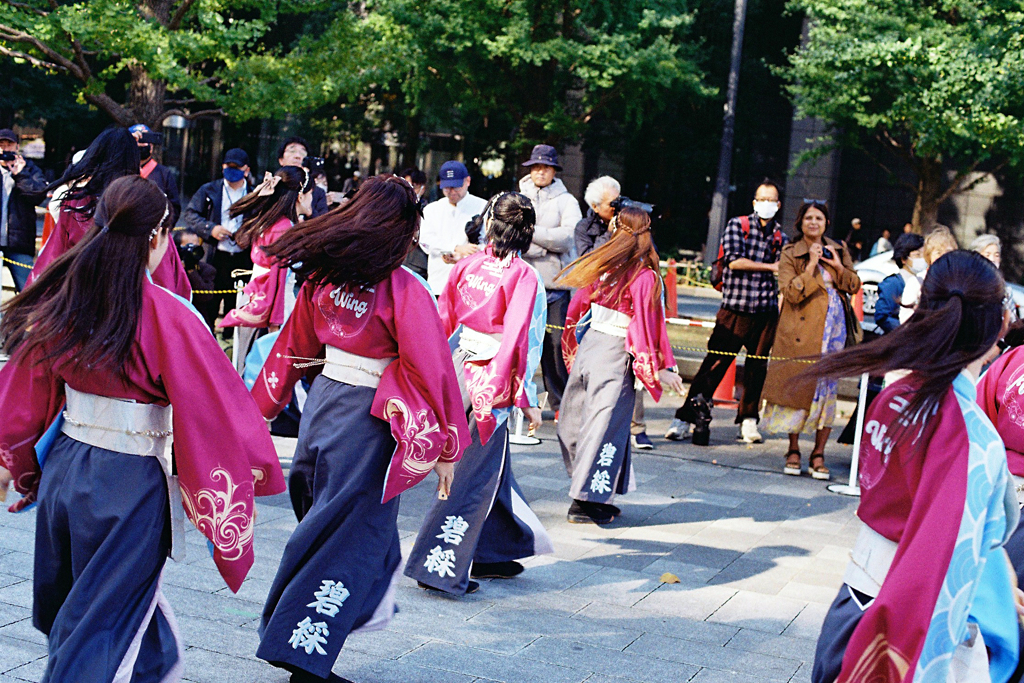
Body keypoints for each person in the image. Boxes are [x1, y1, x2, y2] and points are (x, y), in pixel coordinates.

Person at [0, 175, 285, 681]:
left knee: (88, 604)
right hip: (129, 480)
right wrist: (246, 480)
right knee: (99, 619)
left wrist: (14, 463)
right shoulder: (170, 315)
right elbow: (217, 412)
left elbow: (24, 390)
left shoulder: (60, 298)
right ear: (157, 237)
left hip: (67, 463)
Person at [247, 176, 470, 683]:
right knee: (348, 535)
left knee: (335, 525)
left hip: (324, 403)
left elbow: (291, 349)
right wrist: (450, 444)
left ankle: (312, 641)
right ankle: (301, 652)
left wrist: (259, 409)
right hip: (371, 422)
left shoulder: (324, 279)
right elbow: (433, 369)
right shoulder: (404, 288)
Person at [810, 250, 1019, 683]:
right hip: (905, 630)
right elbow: (954, 557)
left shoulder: (898, 395)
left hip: (853, 604)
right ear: (1000, 323)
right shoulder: (971, 435)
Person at [405, 192, 553, 595]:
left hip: (459, 365)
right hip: (492, 376)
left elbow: (442, 320)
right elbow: (522, 339)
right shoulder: (523, 276)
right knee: (472, 474)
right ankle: (437, 565)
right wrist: (527, 395)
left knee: (488, 466)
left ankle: (493, 550)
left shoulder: (468, 264)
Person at [556, 207, 684, 524]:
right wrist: (659, 367)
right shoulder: (644, 277)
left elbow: (576, 309)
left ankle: (595, 493)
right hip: (615, 353)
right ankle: (586, 499)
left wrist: (574, 346)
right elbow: (645, 328)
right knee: (603, 427)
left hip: (591, 348)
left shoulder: (602, 268)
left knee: (582, 422)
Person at [666, 181, 787, 444]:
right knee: (714, 365)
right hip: (735, 308)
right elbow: (734, 261)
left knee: (757, 368)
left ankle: (748, 420)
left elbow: (784, 270)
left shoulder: (780, 236)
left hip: (765, 311)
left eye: (772, 200)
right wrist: (770, 267)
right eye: (762, 199)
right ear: (754, 202)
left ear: (778, 205)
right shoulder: (738, 225)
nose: (767, 204)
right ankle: (685, 418)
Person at [761, 201, 860, 480]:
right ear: (800, 223)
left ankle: (819, 452)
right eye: (808, 218)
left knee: (828, 390)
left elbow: (854, 285)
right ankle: (793, 449)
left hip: (834, 332)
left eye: (819, 218)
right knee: (799, 386)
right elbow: (790, 293)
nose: (813, 223)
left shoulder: (839, 248)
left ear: (826, 222)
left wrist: (838, 267)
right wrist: (812, 265)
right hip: (800, 331)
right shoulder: (790, 252)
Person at [31, 127, 192, 299]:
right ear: (133, 160)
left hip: (82, 297)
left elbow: (53, 258)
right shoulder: (148, 204)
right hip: (133, 299)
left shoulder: (75, 204)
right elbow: (167, 270)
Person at [518, 144, 583, 416]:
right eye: (535, 167)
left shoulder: (568, 201)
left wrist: (532, 234)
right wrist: (544, 243)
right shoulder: (519, 195)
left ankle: (559, 405)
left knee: (556, 346)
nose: (539, 171)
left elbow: (568, 237)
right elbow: (512, 233)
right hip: (522, 282)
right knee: (519, 343)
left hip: (555, 287)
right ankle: (519, 403)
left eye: (544, 167)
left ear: (554, 170)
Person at [219, 166, 315, 331]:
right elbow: (278, 278)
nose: (313, 198)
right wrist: (275, 322)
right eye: (311, 193)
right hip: (274, 308)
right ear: (300, 196)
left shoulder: (271, 222)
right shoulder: (283, 229)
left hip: (257, 300)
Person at [182, 147, 255, 317]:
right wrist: (210, 228)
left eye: (236, 168)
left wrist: (248, 234)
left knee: (237, 304)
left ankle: (229, 338)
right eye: (228, 166)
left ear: (246, 170)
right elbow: (190, 214)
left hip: (241, 258)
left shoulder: (254, 194)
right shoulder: (209, 190)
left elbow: (260, 222)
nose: (231, 172)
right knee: (210, 303)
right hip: (214, 255)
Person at [418, 160, 487, 295]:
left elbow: (488, 243)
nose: (452, 192)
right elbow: (425, 240)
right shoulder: (432, 210)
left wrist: (464, 255)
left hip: (472, 283)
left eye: (456, 187)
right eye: (447, 188)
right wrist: (453, 248)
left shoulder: (482, 207)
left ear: (467, 181)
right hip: (439, 282)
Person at [0, 128, 47, 292]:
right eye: (1, 145)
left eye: (9, 145)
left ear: (17, 147)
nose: (5, 149)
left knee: (29, 292)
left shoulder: (30, 169)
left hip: (20, 242)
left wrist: (21, 174)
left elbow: (38, 195)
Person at [129, 124, 181, 225]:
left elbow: (174, 208)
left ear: (151, 146)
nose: (141, 145)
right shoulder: (121, 171)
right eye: (137, 141)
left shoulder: (164, 174)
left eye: (144, 140)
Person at [873, 232, 925, 333]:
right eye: (917, 255)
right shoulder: (892, 284)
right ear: (903, 259)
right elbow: (882, 316)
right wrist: (905, 330)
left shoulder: (923, 282)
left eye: (924, 255)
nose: (922, 259)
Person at [176, 228, 219, 331]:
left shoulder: (207, 270)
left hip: (198, 322)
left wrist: (191, 271)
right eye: (189, 246)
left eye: (197, 245)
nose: (194, 250)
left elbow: (205, 295)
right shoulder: (171, 268)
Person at [277, 136, 329, 217]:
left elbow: (323, 223)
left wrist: (309, 212)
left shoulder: (317, 192)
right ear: (281, 160)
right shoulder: (272, 186)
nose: (297, 156)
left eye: (302, 153)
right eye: (292, 151)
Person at [575, 175, 620, 257]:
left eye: (618, 201)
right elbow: (587, 259)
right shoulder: (584, 227)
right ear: (595, 207)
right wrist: (609, 233)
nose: (616, 207)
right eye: (612, 204)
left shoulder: (626, 221)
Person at [399, 167, 429, 278]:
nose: (410, 191)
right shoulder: (392, 206)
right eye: (406, 186)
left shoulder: (429, 210)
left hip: (416, 264)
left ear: (423, 188)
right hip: (393, 261)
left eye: (414, 187)